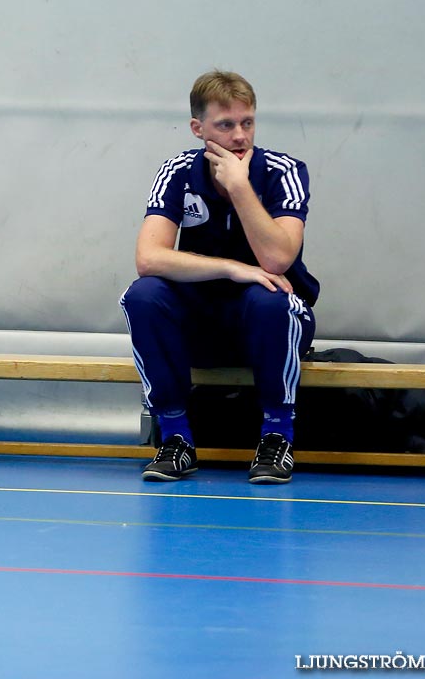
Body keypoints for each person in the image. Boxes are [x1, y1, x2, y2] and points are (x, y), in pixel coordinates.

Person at [120, 70, 319, 485]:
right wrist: (231, 268)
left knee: (270, 298)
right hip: (202, 320)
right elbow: (148, 258)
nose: (239, 136)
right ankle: (175, 439)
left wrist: (241, 188)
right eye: (225, 125)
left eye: (247, 123)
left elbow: (278, 258)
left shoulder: (284, 171)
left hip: (268, 320)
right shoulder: (177, 171)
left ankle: (277, 437)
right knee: (143, 295)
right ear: (198, 129)